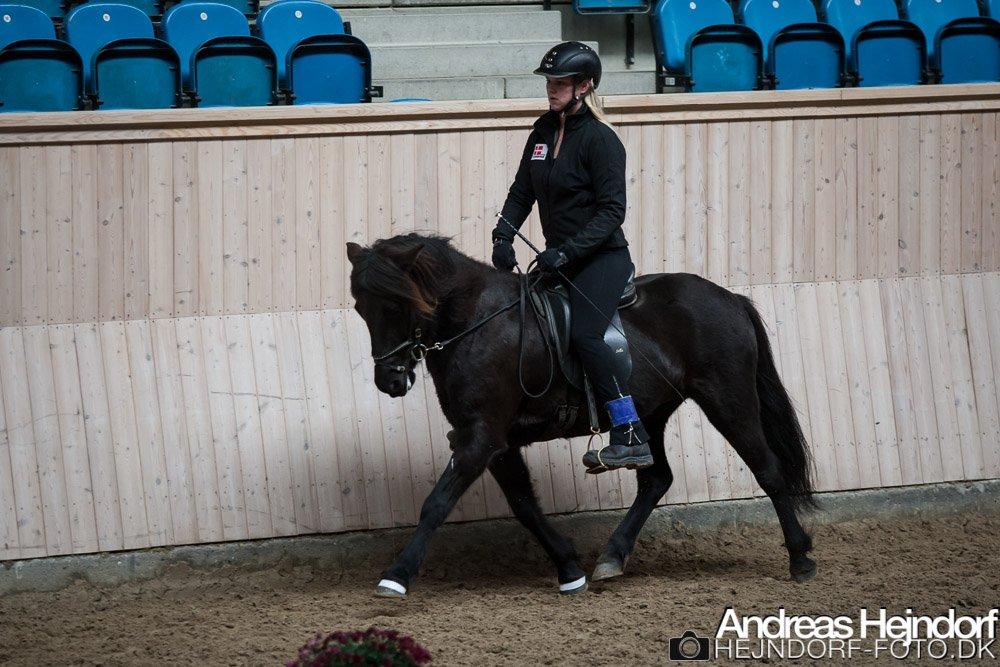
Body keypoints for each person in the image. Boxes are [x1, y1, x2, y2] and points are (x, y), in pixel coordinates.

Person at [491, 41, 653, 473]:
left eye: (560, 83)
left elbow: (611, 212)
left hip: (600, 259)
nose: (552, 90)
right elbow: (522, 191)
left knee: (585, 335)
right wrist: (503, 234)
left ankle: (629, 432)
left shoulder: (601, 140)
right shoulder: (542, 132)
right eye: (549, 82)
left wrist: (566, 251)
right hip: (556, 258)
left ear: (584, 86)